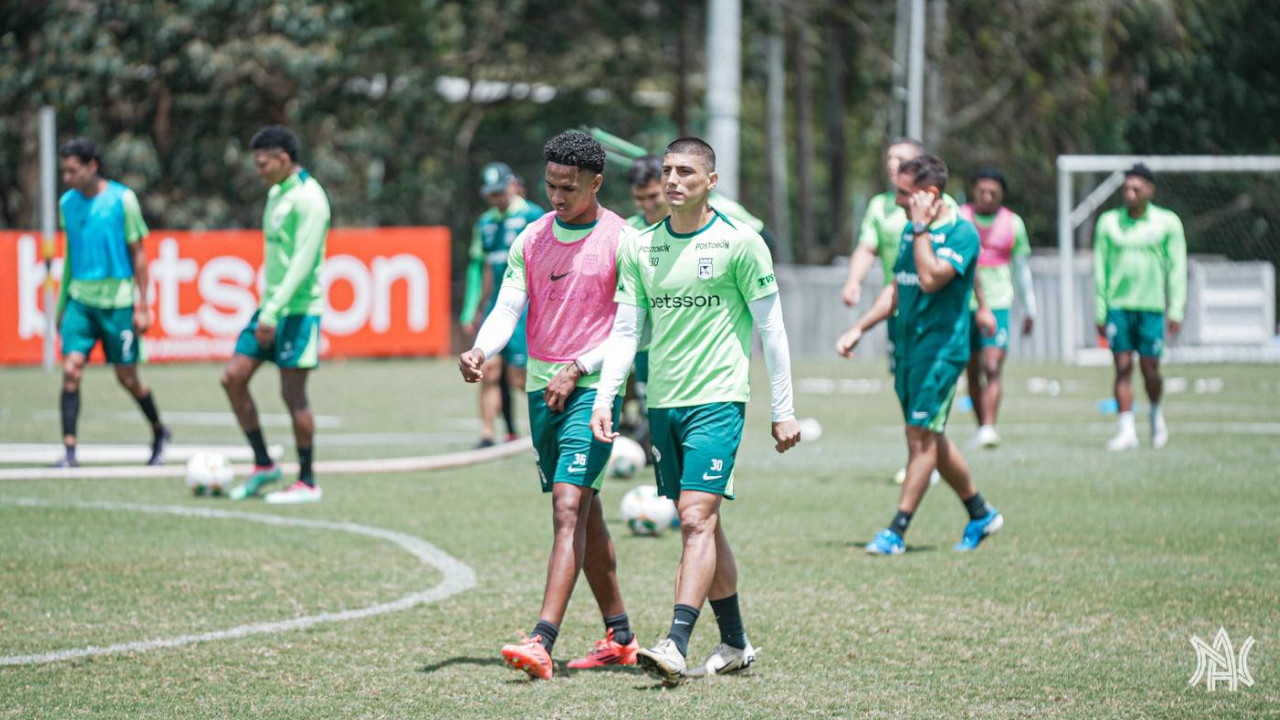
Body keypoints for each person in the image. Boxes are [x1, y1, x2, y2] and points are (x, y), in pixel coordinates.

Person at [591, 137, 801, 686]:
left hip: (719, 400)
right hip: (664, 403)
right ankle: (734, 642)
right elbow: (628, 329)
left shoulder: (741, 243)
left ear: (712, 181)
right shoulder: (640, 247)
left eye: (686, 171)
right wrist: (606, 395)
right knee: (706, 523)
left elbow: (772, 330)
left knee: (693, 519)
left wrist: (784, 409)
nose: (673, 180)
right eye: (667, 171)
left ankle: (676, 643)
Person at [458, 131, 638, 680]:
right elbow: (508, 304)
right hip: (543, 391)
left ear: (596, 182)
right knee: (588, 514)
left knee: (567, 509)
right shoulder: (532, 237)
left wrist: (580, 366)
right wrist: (482, 349)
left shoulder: (623, 240)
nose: (556, 196)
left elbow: (632, 326)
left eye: (569, 187)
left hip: (592, 389)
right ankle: (621, 636)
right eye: (551, 185)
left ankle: (542, 639)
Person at [835, 154, 1003, 556]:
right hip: (907, 349)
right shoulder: (913, 231)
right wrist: (860, 328)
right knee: (929, 434)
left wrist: (922, 227)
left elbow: (929, 280)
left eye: (904, 194)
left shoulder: (961, 233)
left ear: (928, 196)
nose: (896, 201)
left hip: (942, 352)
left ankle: (897, 529)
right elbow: (899, 287)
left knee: (920, 436)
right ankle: (980, 512)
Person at [223, 125, 330, 504]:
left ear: (284, 160)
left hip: (298, 311)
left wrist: (273, 310)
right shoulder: (275, 193)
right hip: (269, 308)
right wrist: (268, 309)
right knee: (233, 378)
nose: (259, 170)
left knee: (292, 394)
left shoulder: (311, 199)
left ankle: (307, 480)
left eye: (263, 163)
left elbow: (303, 263)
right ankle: (263, 463)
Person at [54, 139, 170, 468]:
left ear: (92, 167)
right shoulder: (68, 204)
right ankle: (70, 450)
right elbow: (71, 259)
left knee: (127, 378)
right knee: (71, 370)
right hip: (81, 301)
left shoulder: (123, 200)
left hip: (118, 302)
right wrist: (63, 303)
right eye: (63, 171)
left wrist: (143, 304)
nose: (67, 177)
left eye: (72, 170)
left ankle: (160, 431)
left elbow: (139, 256)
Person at [1093, 163, 1186, 451]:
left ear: (1150, 189)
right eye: (1126, 188)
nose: (1130, 193)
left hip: (1151, 308)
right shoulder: (1108, 223)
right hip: (1119, 307)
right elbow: (1100, 269)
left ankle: (1156, 412)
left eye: (1136, 188)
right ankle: (1126, 430)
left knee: (1150, 369)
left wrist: (1177, 308)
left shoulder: (1167, 223)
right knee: (1122, 366)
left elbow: (1178, 267)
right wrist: (1100, 308)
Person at [459, 162, 544, 447]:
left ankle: (550, 426)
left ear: (512, 185)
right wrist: (472, 308)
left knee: (520, 378)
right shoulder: (484, 223)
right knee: (488, 369)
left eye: (500, 191)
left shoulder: (534, 217)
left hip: (526, 310)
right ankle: (486, 434)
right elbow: (479, 268)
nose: (496, 198)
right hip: (496, 308)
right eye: (490, 193)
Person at [958, 166, 1037, 448]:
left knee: (992, 366)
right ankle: (982, 426)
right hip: (962, 304)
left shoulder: (1012, 223)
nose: (988, 196)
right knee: (971, 369)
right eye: (982, 190)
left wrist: (1030, 308)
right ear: (973, 190)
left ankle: (989, 427)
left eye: (993, 191)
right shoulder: (960, 218)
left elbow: (1021, 269)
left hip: (999, 303)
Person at [841, 138, 926, 311]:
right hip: (895, 305)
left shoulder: (941, 205)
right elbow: (867, 248)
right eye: (890, 158)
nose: (892, 164)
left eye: (900, 160)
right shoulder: (878, 205)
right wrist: (854, 281)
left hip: (930, 308)